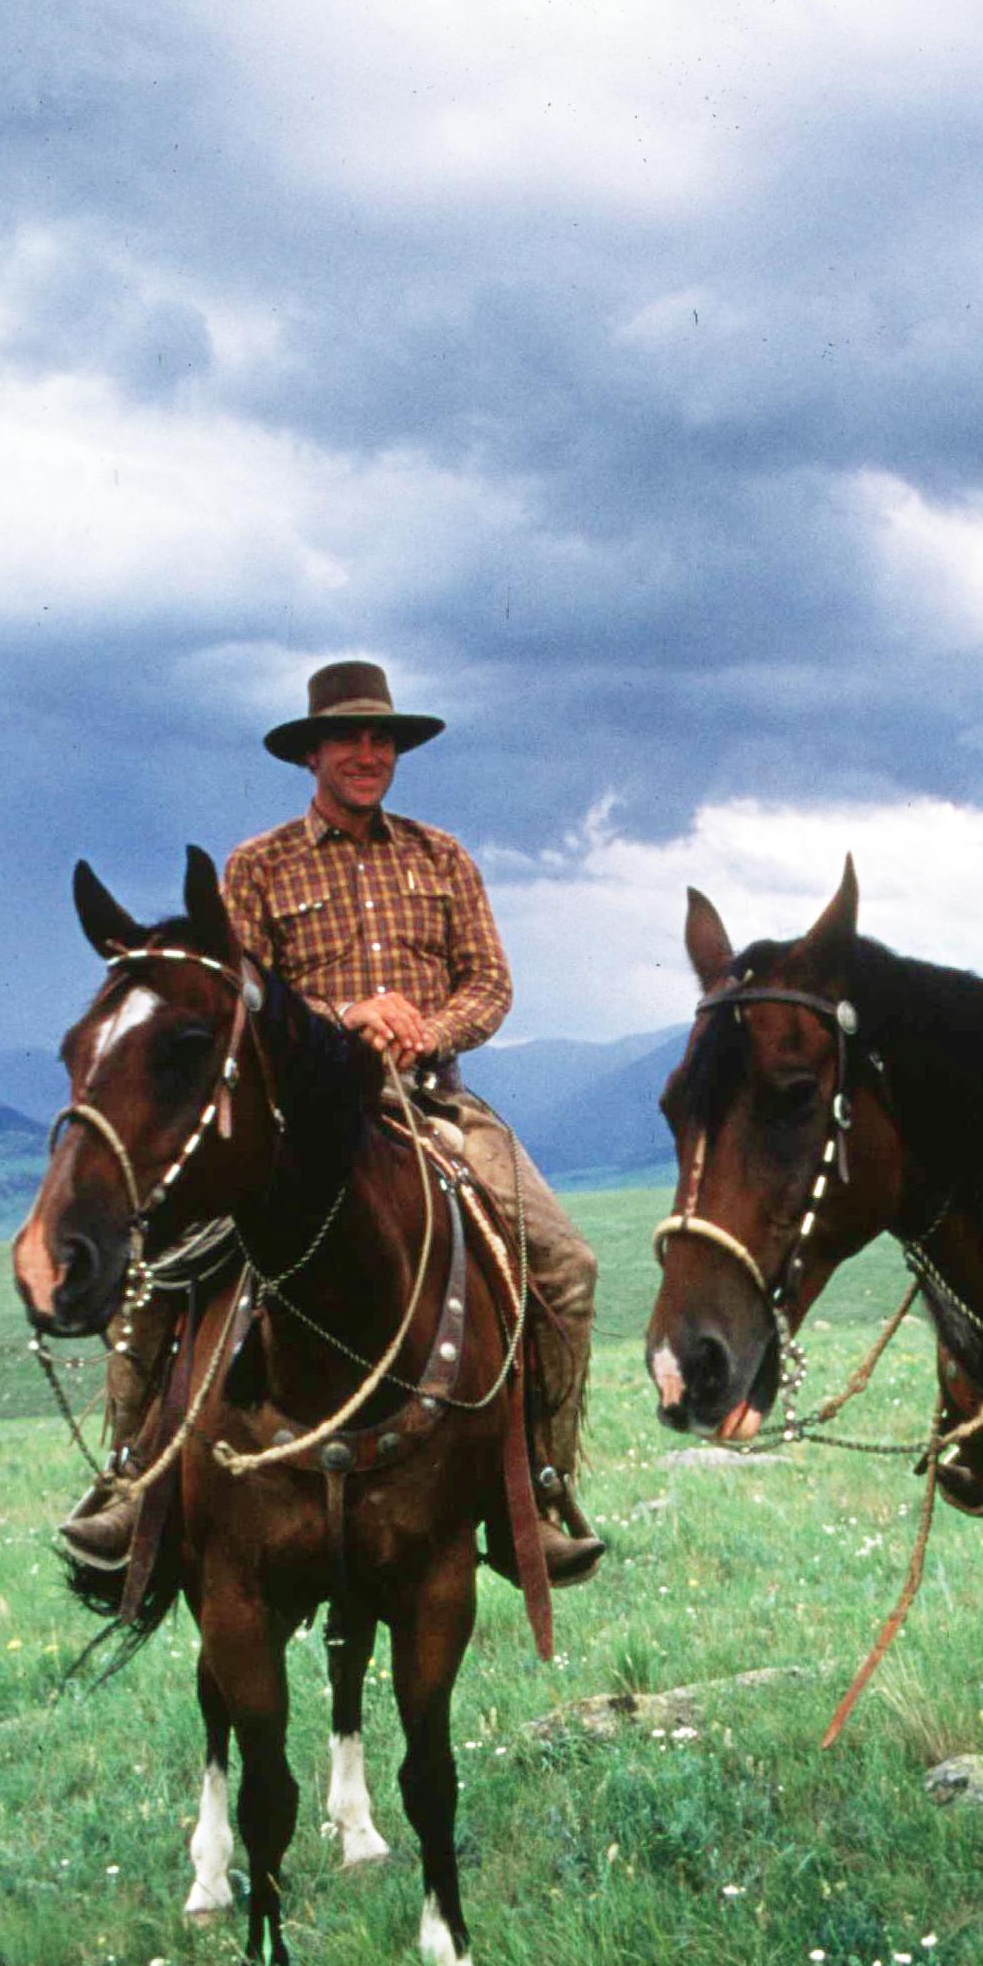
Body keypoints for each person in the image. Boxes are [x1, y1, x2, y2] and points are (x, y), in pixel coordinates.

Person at [63, 660, 602, 1582]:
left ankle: (542, 1489)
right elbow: (240, 1000)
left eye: (381, 738)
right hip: (298, 1122)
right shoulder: (258, 866)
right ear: (311, 753)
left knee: (565, 1265)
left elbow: (492, 982)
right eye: (348, 738)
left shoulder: (442, 858)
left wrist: (421, 1029)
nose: (367, 753)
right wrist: (340, 1024)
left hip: (431, 1102)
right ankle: (127, 1479)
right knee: (165, 1264)